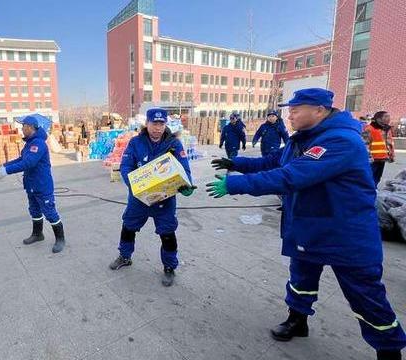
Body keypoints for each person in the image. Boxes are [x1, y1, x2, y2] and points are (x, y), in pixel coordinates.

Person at [207, 88, 405, 360]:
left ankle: (389, 349)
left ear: (319, 110)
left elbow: (291, 176)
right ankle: (297, 320)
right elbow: (272, 161)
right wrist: (236, 162)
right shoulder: (301, 139)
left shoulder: (340, 141)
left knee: (366, 295)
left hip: (345, 233)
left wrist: (234, 184)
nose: (290, 114)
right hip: (309, 226)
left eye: (296, 109)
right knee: (301, 280)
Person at [108, 108, 195, 287]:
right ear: (146, 124)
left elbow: (184, 168)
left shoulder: (174, 144)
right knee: (128, 226)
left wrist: (186, 185)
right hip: (139, 198)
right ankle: (125, 256)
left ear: (165, 124)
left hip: (165, 199)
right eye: (154, 124)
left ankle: (169, 267)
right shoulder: (135, 142)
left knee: (167, 233)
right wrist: (134, 185)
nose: (157, 128)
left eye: (161, 124)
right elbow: (126, 166)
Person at [0, 115, 66, 253]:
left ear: (30, 127)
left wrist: (7, 171)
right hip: (31, 185)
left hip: (42, 185)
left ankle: (60, 239)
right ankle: (38, 234)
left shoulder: (38, 143)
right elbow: (22, 158)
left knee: (50, 212)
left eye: (23, 127)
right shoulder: (30, 143)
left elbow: (29, 162)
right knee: (34, 210)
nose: (21, 129)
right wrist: (5, 165)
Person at [363, 111, 395, 188]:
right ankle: (368, 191)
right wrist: (368, 157)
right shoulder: (369, 129)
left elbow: (389, 144)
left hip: (382, 158)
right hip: (373, 159)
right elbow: (365, 144)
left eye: (389, 116)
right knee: (369, 177)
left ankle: (373, 190)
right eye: (386, 116)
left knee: (377, 177)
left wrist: (391, 155)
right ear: (379, 119)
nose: (388, 118)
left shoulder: (386, 129)